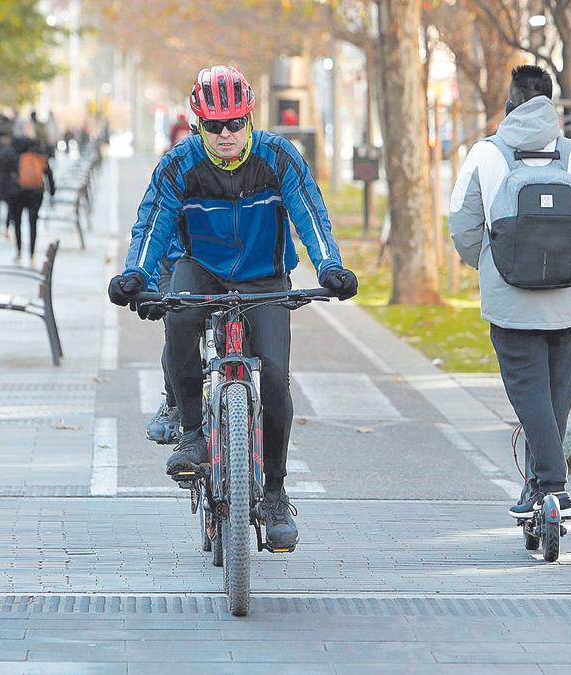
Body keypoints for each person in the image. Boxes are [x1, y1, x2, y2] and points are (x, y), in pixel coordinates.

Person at [106, 65, 359, 551]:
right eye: (215, 126)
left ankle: (276, 494)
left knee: (278, 377)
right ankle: (192, 431)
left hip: (265, 273)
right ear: (198, 123)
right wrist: (136, 274)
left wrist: (330, 267)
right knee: (179, 317)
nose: (226, 134)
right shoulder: (180, 164)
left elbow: (309, 211)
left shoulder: (279, 157)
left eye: (235, 123)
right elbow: (153, 222)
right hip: (201, 266)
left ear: (249, 119)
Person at [448, 65, 571, 522]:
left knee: (528, 397)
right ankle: (538, 489)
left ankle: (553, 486)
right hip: (568, 301)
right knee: (554, 398)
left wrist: (491, 264)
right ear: (552, 103)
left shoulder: (485, 155)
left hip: (510, 300)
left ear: (510, 104)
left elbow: (462, 228)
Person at [7, 132, 55, 264]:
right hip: (36, 193)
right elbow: (49, 175)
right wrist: (52, 192)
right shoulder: (40, 156)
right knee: (33, 223)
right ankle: (32, 254)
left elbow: (11, 176)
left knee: (17, 222)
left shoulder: (17, 156)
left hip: (19, 193)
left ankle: (19, 251)